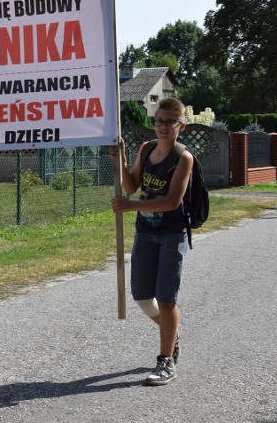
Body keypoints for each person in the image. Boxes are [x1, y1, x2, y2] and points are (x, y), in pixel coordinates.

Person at [109, 97, 194, 386]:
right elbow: (131, 186)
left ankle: (165, 361)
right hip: (146, 232)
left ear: (180, 125)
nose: (163, 126)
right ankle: (172, 333)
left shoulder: (183, 158)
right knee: (143, 297)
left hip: (172, 233)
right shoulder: (146, 150)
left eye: (169, 122)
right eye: (158, 121)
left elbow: (172, 202)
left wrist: (129, 206)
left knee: (167, 299)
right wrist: (120, 159)